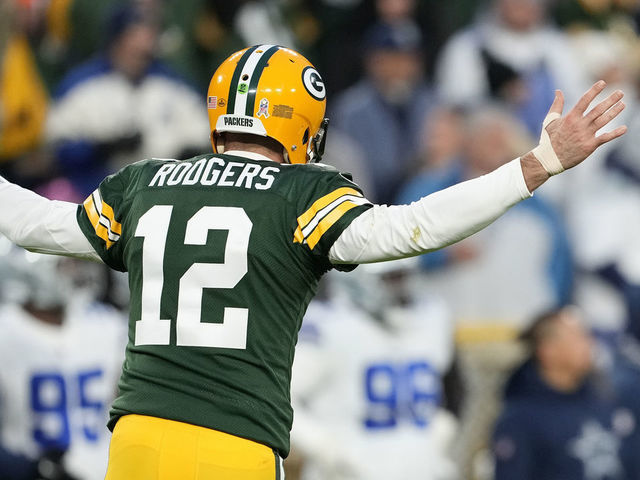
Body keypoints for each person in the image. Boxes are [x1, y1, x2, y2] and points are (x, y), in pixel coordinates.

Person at [0, 44, 627, 479]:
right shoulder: (300, 194)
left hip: (136, 437)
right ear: (300, 120)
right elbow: (410, 228)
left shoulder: (148, 180)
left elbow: (34, 224)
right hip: (233, 443)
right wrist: (536, 164)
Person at [290, 259, 458, 480]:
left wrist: (443, 424)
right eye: (391, 277)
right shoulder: (328, 325)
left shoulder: (432, 314)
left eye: (404, 275)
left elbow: (452, 387)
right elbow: (283, 398)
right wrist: (325, 447)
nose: (401, 287)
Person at [0, 243, 126, 480]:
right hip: (31, 469)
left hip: (105, 469)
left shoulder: (105, 324)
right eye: (64, 264)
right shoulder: (6, 332)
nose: (75, 272)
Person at [492, 306, 636, 479]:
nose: (589, 345)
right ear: (548, 350)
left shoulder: (606, 398)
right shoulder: (520, 418)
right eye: (577, 338)